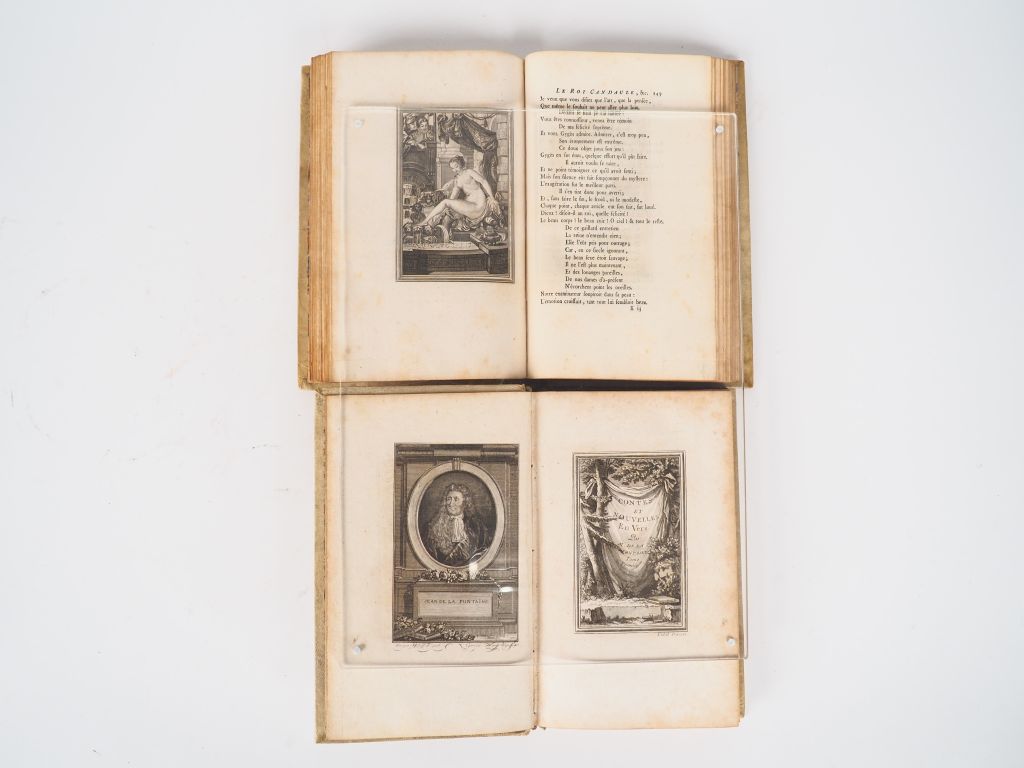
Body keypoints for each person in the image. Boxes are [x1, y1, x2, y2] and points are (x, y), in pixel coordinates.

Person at [418, 155, 500, 228]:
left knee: (445, 202)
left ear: (462, 165)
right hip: (469, 206)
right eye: (452, 168)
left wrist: (492, 198)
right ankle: (430, 224)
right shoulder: (457, 180)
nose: (454, 170)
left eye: (456, 167)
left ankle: (425, 222)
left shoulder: (469, 172)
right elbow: (452, 198)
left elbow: (483, 181)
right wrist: (446, 205)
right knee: (446, 205)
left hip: (478, 205)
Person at [424, 483, 488, 567]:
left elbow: (483, 552)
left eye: (456, 499)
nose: (451, 503)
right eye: (449, 499)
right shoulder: (433, 526)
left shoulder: (476, 526)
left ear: (465, 503)